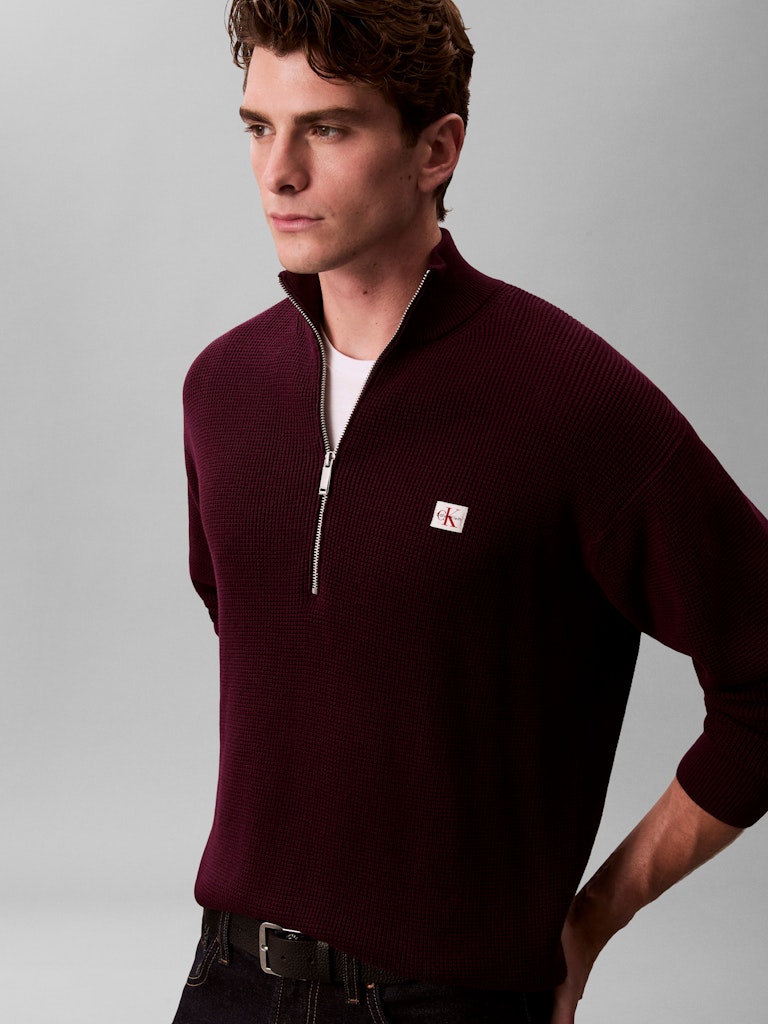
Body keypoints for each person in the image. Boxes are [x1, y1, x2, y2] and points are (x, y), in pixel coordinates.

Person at [173, 2, 768, 1021]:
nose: (278, 172)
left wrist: (595, 916)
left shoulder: (567, 399)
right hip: (229, 979)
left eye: (327, 128)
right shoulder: (221, 391)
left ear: (436, 149)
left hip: (446, 1002)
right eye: (258, 126)